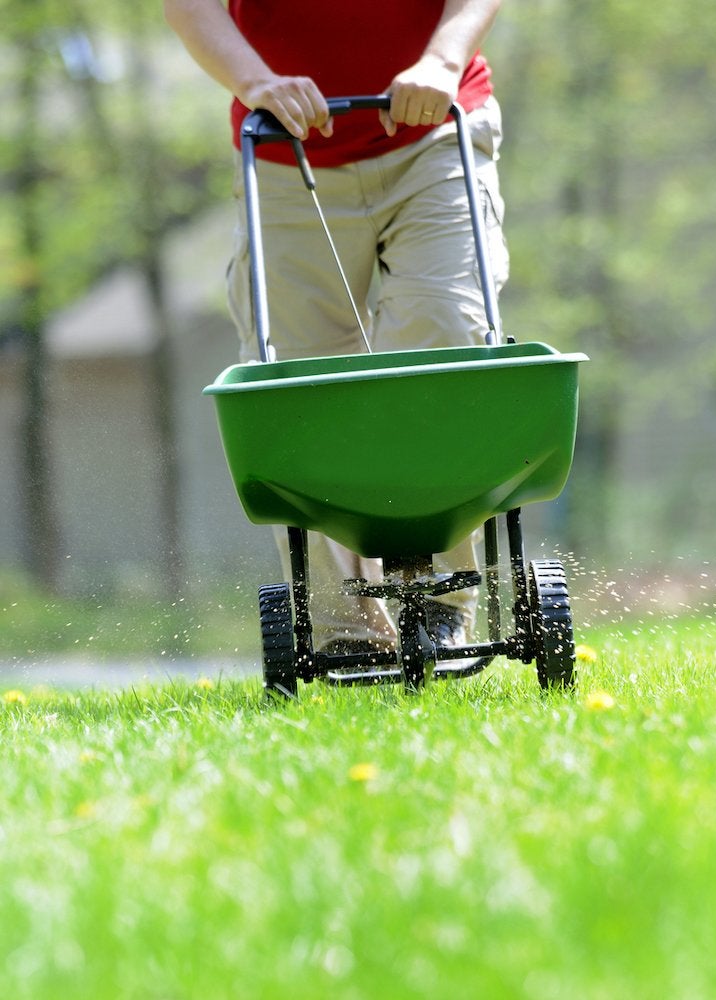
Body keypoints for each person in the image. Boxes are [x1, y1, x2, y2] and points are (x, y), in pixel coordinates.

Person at [164, 0, 509, 656]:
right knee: (298, 381)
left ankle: (440, 598)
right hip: (284, 148)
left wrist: (441, 59)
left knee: (445, 336)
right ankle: (347, 627)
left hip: (435, 132)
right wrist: (256, 82)